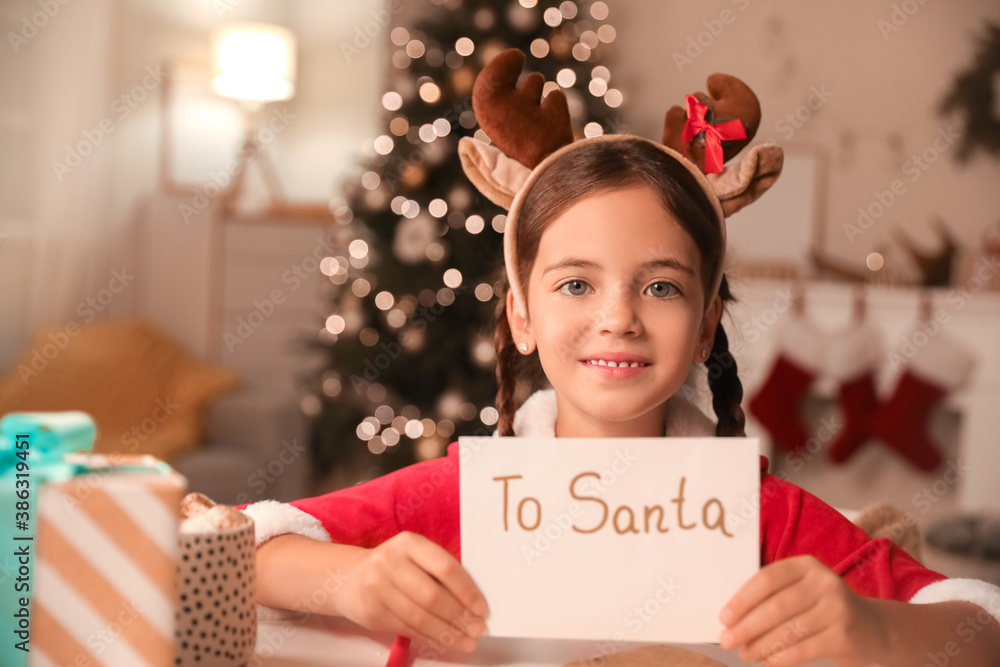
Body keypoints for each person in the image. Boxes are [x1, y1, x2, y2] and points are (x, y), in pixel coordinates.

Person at [238, 50, 1000, 667]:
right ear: (523, 316)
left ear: (706, 327)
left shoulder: (762, 517)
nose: (618, 318)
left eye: (660, 287)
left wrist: (878, 632)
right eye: (576, 283)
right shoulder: (465, 496)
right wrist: (353, 580)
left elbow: (980, 628)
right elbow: (231, 545)